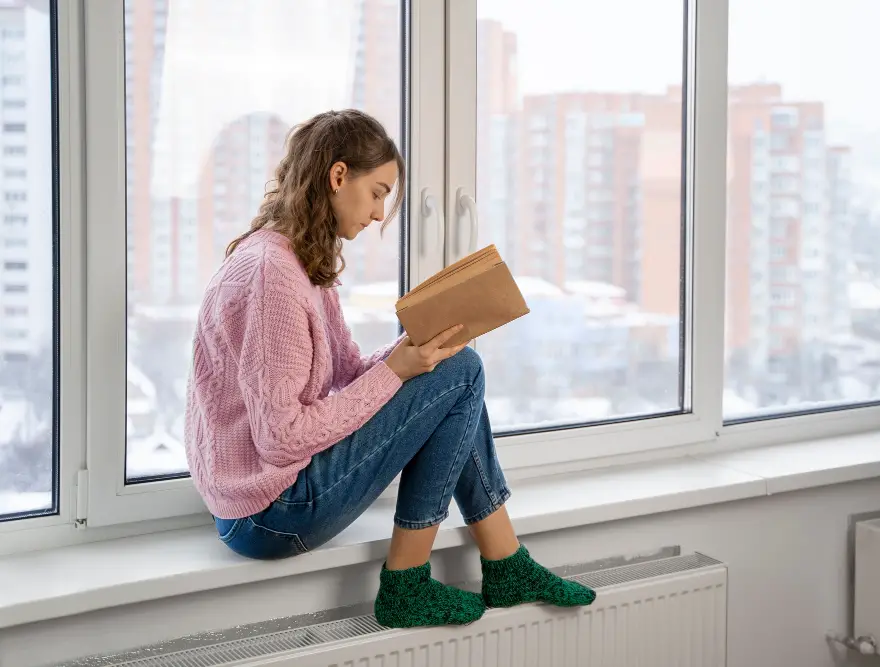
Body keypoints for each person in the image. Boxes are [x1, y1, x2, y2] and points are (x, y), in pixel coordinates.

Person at [184, 109, 595, 629]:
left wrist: (413, 352)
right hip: (268, 514)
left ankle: (505, 562)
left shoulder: (293, 259)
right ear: (338, 177)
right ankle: (413, 582)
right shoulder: (273, 277)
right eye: (377, 192)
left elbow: (347, 372)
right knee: (464, 372)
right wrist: (400, 371)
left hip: (257, 500)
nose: (380, 214)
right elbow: (281, 439)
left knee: (452, 368)